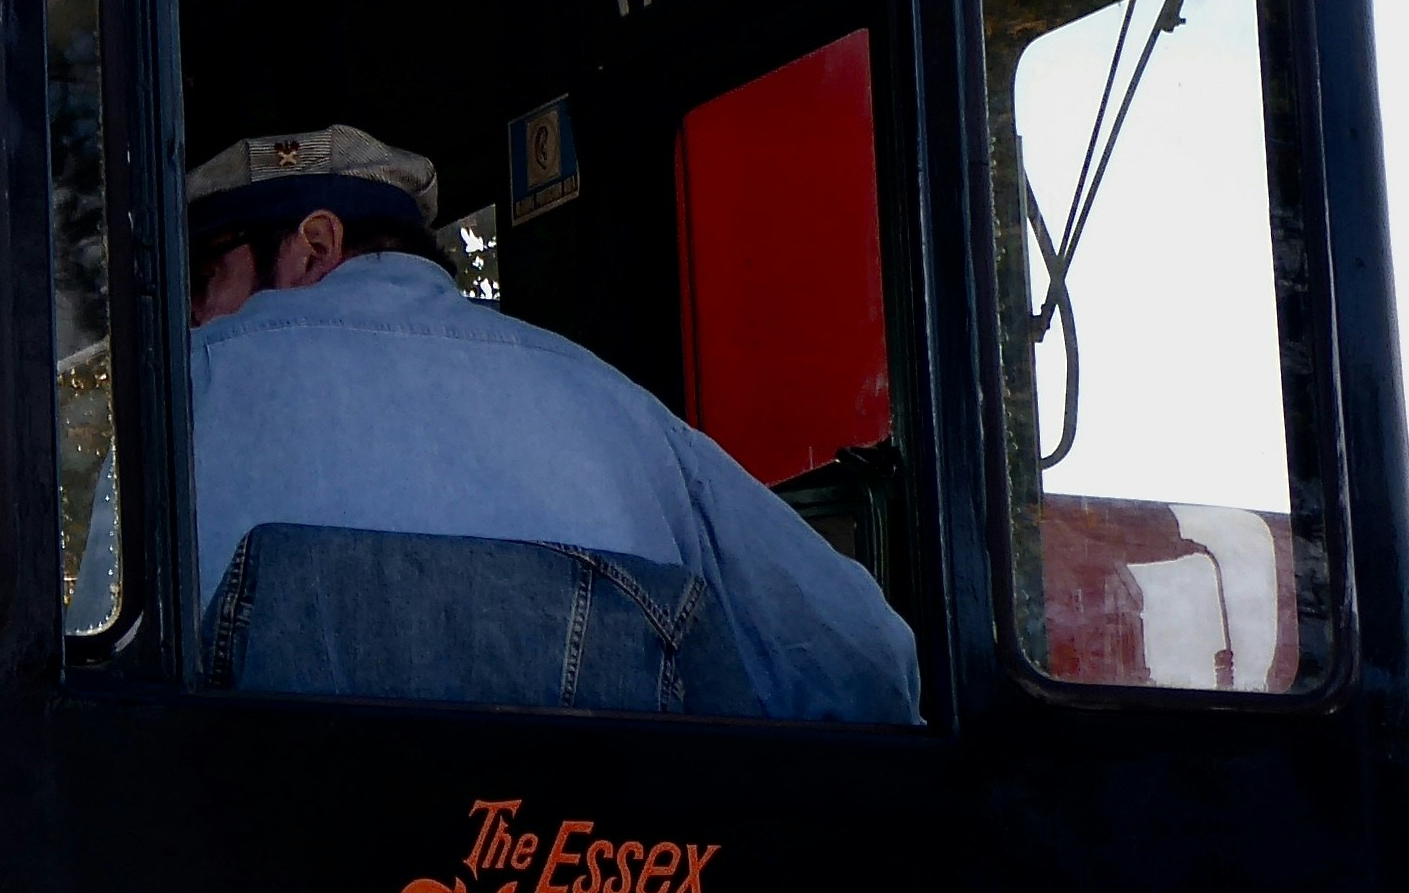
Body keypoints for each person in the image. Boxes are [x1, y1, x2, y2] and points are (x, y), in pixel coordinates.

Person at [185, 125, 918, 723]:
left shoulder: (191, 393)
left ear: (316, 245)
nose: (192, 316)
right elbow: (867, 666)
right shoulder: (619, 409)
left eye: (202, 280)